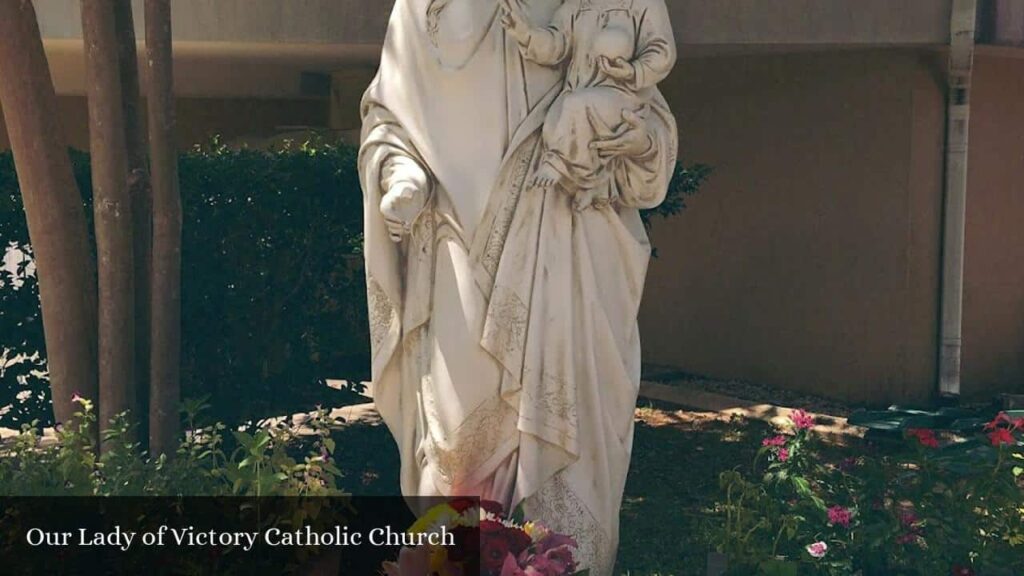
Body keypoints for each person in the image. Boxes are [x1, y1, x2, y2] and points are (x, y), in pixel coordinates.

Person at [358, 0, 678, 572]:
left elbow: (647, 120)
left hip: (575, 253)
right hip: (459, 253)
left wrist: (635, 145)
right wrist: (400, 173)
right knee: (459, 455)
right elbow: (388, 118)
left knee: (575, 472)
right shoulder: (425, 11)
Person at [500, 0, 677, 211]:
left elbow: (661, 50)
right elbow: (557, 44)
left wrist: (633, 71)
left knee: (577, 106)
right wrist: (526, 34)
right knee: (562, 116)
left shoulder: (643, 4)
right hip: (581, 92)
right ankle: (593, 185)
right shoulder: (577, 6)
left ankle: (557, 163)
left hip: (624, 96)